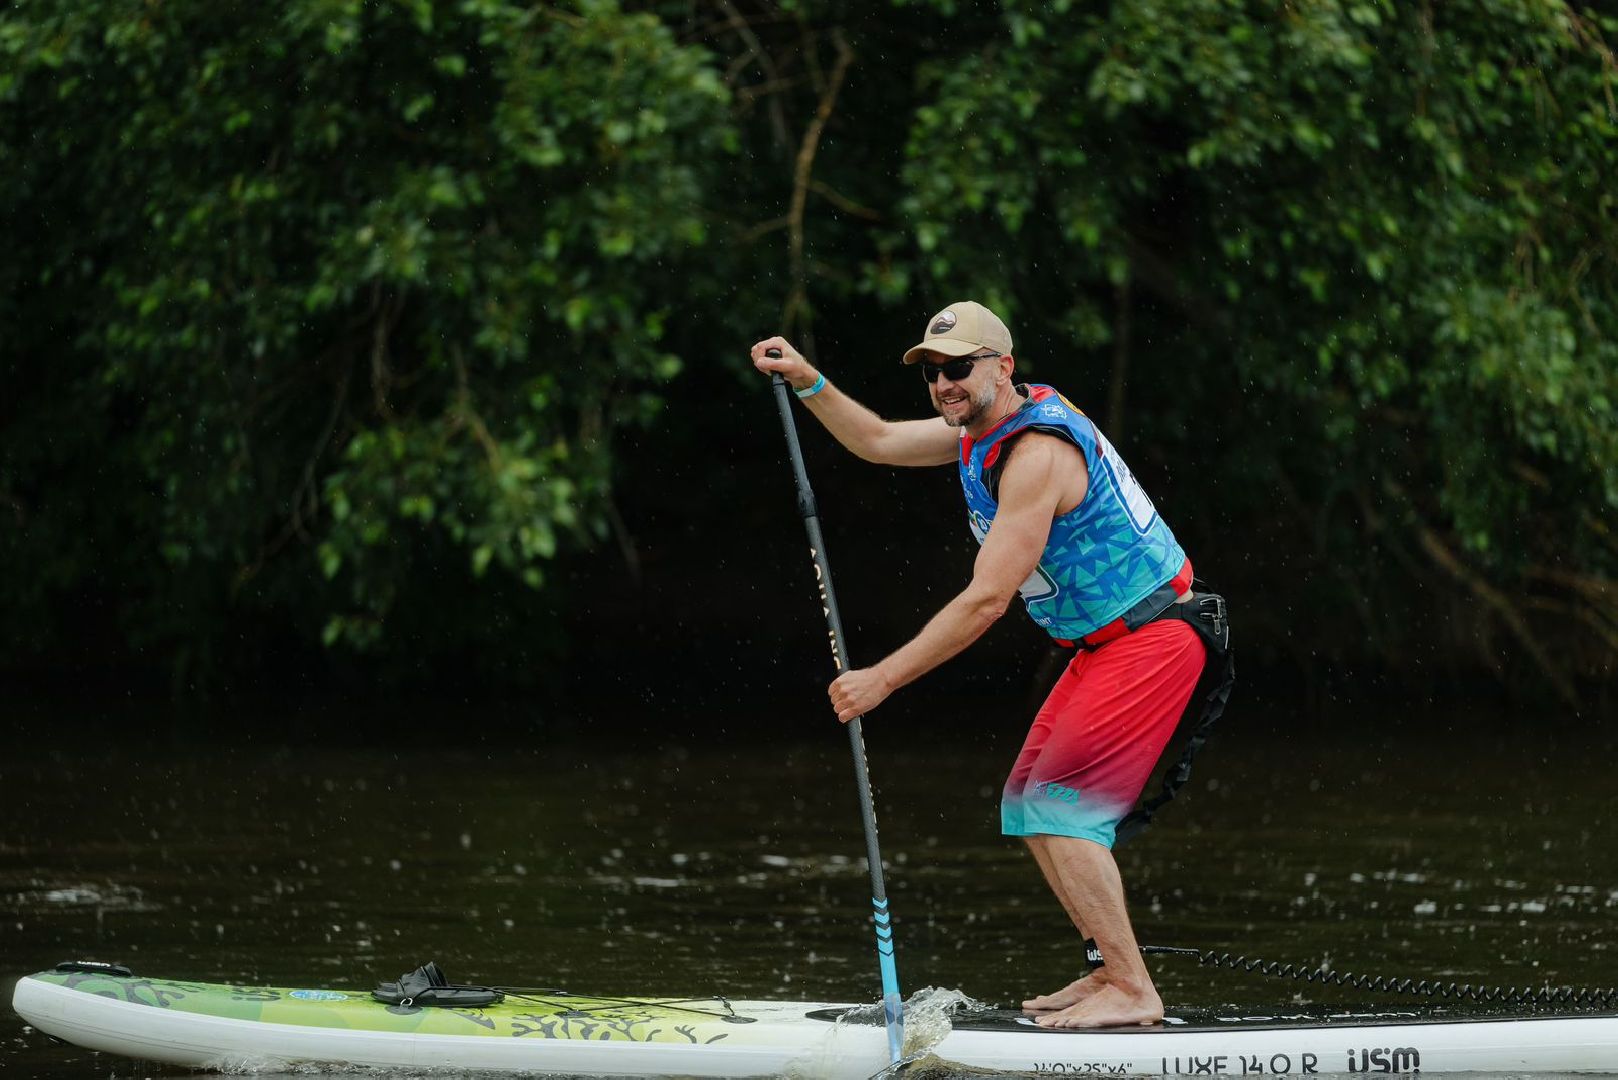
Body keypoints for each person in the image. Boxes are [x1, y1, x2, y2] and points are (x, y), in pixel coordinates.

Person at [752, 301, 1215, 1029]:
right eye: (934, 372)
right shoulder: (980, 430)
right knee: (1029, 806)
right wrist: (810, 381)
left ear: (1003, 367)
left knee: (1062, 809)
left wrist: (883, 678)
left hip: (1155, 635)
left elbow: (987, 599)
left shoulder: (1036, 455)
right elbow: (873, 439)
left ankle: (1133, 988)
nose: (944, 384)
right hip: (1102, 644)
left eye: (958, 368)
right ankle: (1106, 972)